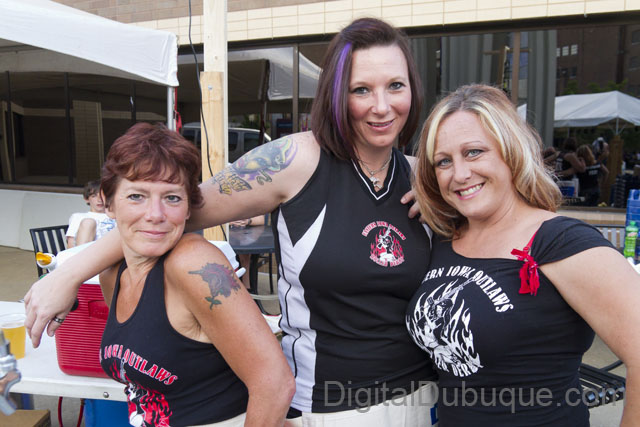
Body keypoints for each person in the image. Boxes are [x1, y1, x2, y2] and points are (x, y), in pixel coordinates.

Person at [25, 17, 438, 426]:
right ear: (334, 94)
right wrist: (68, 274)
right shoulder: (295, 160)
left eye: (395, 86)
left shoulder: (429, 179)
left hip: (425, 399)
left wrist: (441, 200)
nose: (381, 106)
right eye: (360, 89)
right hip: (329, 407)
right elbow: (167, 215)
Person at [407, 84, 640, 425]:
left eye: (474, 152)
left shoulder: (561, 241)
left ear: (510, 151)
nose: (459, 174)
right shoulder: (444, 239)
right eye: (443, 161)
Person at [63, 123, 294, 426]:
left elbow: (275, 384)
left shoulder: (193, 263)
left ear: (188, 208)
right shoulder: (113, 274)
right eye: (137, 196)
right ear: (108, 203)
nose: (155, 214)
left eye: (172, 198)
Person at [65, 180, 110, 248]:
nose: (99, 200)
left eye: (102, 196)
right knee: (88, 222)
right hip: (89, 251)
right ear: (87, 199)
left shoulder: (115, 216)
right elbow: (71, 244)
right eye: (94, 196)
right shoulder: (79, 217)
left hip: (114, 251)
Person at [230, 214, 267, 289]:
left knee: (245, 248)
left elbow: (261, 220)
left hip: (246, 233)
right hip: (225, 234)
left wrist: (248, 221)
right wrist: (229, 222)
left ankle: (246, 287)